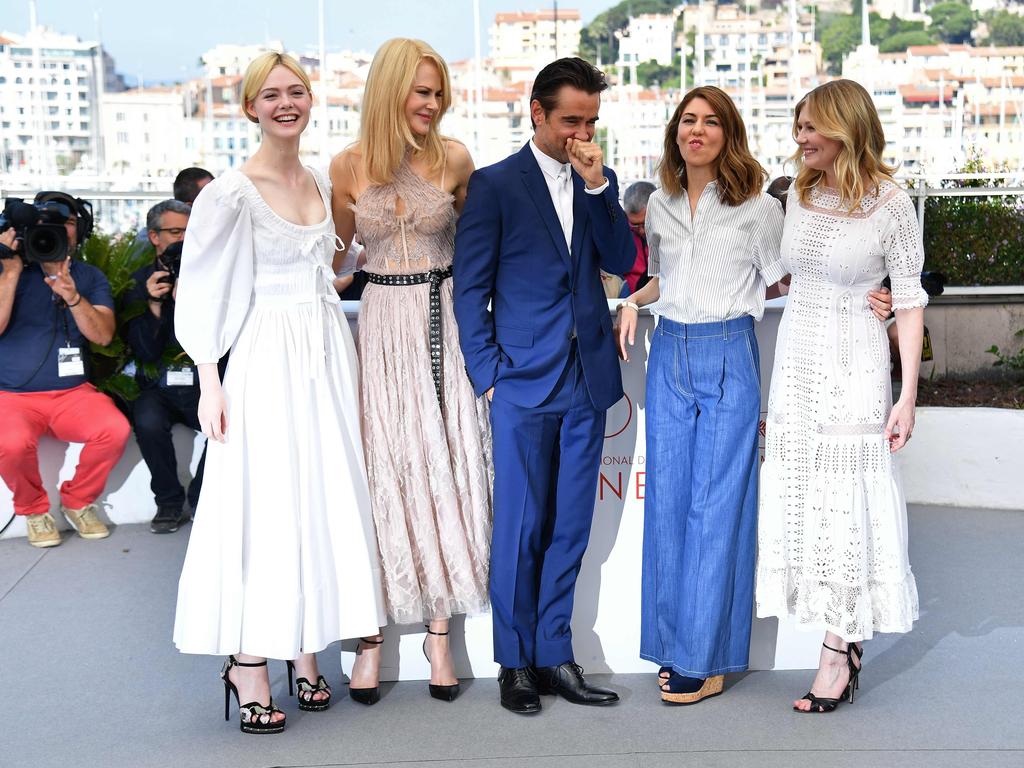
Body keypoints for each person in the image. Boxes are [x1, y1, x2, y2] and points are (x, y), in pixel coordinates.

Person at [616, 87, 893, 706]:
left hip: (726, 351)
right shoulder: (658, 205)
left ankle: (705, 654)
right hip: (669, 354)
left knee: (717, 507)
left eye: (712, 122)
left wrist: (877, 293)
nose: (698, 131)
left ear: (729, 134)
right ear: (675, 132)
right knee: (667, 503)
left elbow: (793, 274)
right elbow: (664, 280)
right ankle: (671, 643)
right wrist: (631, 304)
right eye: (688, 120)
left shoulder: (758, 208)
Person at [172, 52, 385, 734]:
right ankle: (248, 661)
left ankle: (305, 645)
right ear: (250, 107)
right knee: (264, 504)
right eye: (271, 95)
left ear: (310, 99)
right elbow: (201, 286)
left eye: (296, 91)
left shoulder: (321, 177)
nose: (286, 103)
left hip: (324, 347)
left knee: (319, 497)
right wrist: (209, 376)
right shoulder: (230, 190)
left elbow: (328, 272)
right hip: (264, 355)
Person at [454, 57, 635, 715]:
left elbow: (621, 260)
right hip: (521, 384)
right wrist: (490, 375)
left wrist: (596, 191)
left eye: (590, 121)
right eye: (569, 120)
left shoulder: (600, 180)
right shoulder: (495, 185)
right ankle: (514, 663)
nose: (581, 133)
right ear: (537, 113)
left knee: (569, 527)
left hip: (587, 380)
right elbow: (470, 288)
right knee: (521, 527)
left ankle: (556, 655)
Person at [755, 79, 927, 713]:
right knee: (806, 497)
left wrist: (906, 396)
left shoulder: (891, 202)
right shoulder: (797, 194)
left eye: (810, 127)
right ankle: (834, 637)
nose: (799, 137)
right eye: (797, 126)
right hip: (797, 362)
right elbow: (781, 276)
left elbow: (907, 302)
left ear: (844, 129)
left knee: (847, 501)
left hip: (855, 364)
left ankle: (839, 647)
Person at [329, 37, 491, 705]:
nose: (432, 103)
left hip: (442, 322)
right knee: (381, 470)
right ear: (389, 91)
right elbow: (334, 263)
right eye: (420, 91)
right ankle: (369, 638)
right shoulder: (345, 166)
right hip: (379, 328)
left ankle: (438, 634)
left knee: (443, 465)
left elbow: (484, 251)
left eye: (438, 92)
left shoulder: (455, 158)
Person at [0, 192, 130, 548]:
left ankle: (77, 500)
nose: (54, 230)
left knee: (114, 428)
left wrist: (72, 296)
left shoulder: (88, 276)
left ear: (79, 231)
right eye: (43, 224)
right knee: (9, 442)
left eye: (66, 223)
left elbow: (103, 336)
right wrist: (10, 272)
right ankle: (33, 510)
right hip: (11, 395)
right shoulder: (5, 269)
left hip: (72, 394)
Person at [124, 199, 211, 534]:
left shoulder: (209, 279)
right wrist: (154, 305)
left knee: (229, 424)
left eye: (190, 232)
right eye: (175, 232)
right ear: (154, 237)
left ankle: (203, 498)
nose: (183, 239)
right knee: (146, 420)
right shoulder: (138, 281)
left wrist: (191, 302)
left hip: (202, 381)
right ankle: (168, 503)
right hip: (157, 383)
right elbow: (145, 351)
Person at [621, 180, 656, 295]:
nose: (641, 230)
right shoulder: (621, 233)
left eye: (646, 223)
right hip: (629, 297)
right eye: (635, 224)